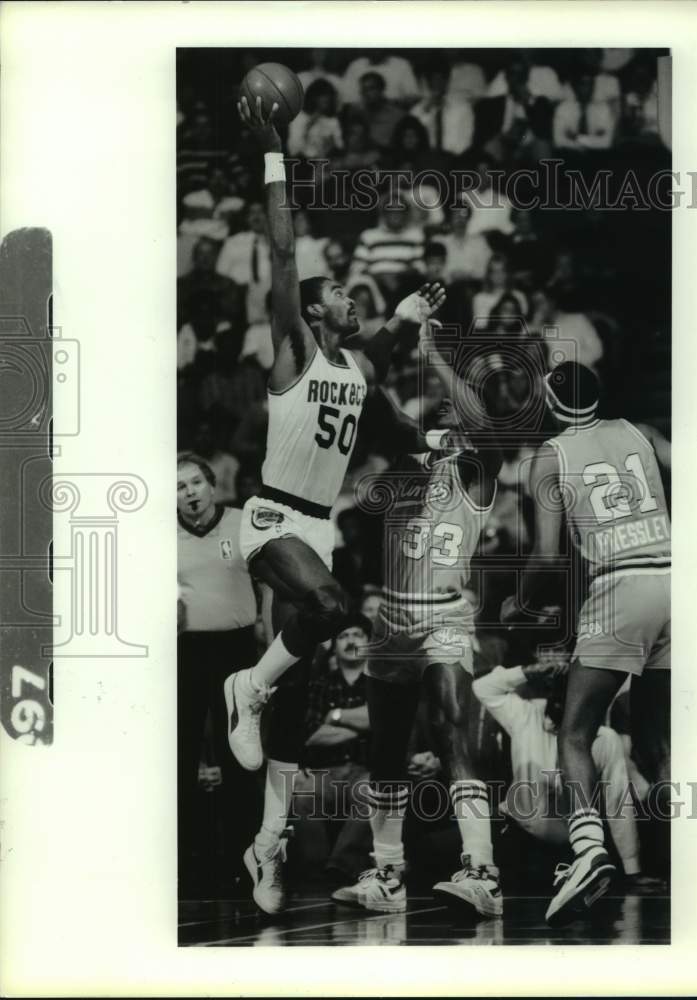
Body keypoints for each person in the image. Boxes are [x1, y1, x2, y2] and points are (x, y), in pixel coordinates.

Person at [222, 96, 447, 916]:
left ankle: (267, 842)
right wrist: (275, 151)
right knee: (327, 605)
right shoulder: (293, 346)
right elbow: (285, 247)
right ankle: (244, 685)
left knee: (295, 702)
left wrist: (430, 441)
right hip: (273, 515)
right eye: (344, 295)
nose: (355, 300)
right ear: (315, 309)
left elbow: (384, 387)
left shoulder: (358, 369)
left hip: (320, 522)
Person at [332, 327, 505, 919]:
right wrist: (377, 345)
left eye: (459, 414)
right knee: (386, 747)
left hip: (445, 617)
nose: (454, 419)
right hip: (393, 620)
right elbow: (382, 411)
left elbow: (483, 425)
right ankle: (387, 874)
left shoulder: (478, 470)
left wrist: (434, 355)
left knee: (453, 730)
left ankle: (483, 871)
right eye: (447, 415)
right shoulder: (407, 463)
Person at [501, 361, 671, 926]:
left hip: (620, 584)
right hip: (673, 577)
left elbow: (549, 555)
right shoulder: (635, 432)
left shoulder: (550, 455)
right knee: (657, 740)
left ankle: (587, 850)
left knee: (575, 731)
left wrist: (520, 604)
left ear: (550, 405)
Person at [473, 657, 643, 880]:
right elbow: (482, 688)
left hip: (569, 846)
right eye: (557, 690)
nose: (560, 701)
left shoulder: (604, 739)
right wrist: (528, 670)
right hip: (516, 834)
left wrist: (632, 871)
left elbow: (618, 804)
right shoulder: (527, 714)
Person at [176, 452, 260, 895]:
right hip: (186, 651)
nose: (188, 492)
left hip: (238, 648)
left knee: (238, 756)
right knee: (183, 755)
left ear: (212, 486)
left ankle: (242, 862)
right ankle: (190, 865)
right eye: (178, 486)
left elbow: (266, 578)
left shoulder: (242, 520)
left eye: (194, 483)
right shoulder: (162, 534)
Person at [291, 614, 374, 884]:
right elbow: (312, 735)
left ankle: (341, 868)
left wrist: (335, 716)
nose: (351, 641)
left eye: (358, 635)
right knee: (303, 795)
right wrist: (361, 726)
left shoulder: (381, 686)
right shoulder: (319, 685)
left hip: (366, 770)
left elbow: (381, 722)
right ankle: (315, 871)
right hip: (324, 771)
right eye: (343, 636)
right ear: (334, 646)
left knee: (373, 792)